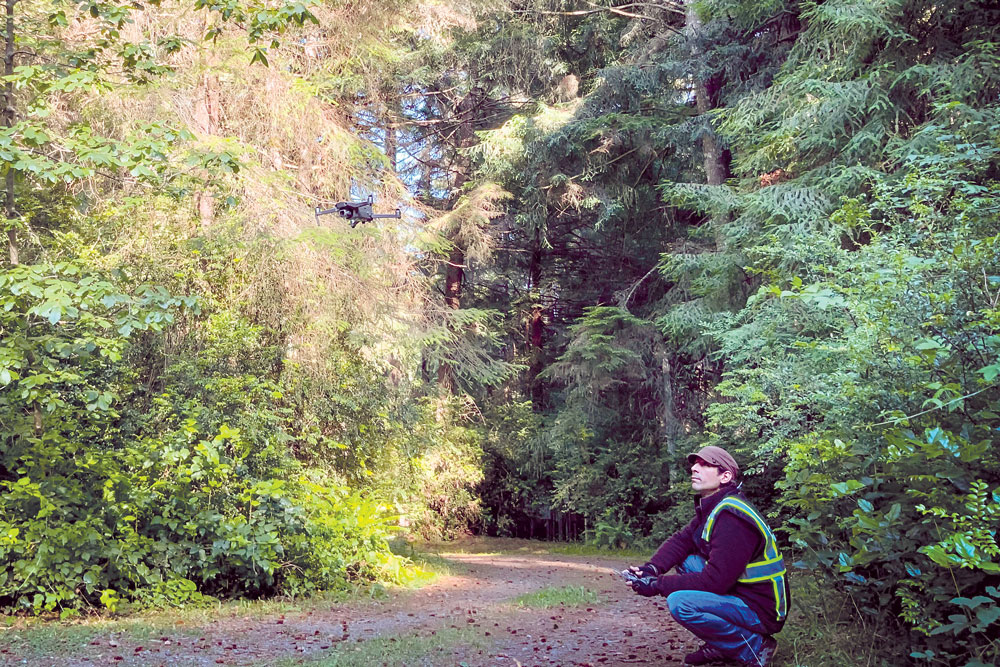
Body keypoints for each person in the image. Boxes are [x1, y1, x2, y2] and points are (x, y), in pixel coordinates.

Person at [626, 446, 789, 666]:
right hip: (744, 593)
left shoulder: (733, 517)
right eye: (695, 464)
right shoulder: (716, 506)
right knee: (686, 560)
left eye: (705, 464)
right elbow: (682, 540)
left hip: (762, 609)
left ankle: (753, 646)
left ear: (725, 476)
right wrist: (651, 569)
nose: (694, 468)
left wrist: (657, 584)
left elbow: (715, 581)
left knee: (680, 603)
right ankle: (724, 644)